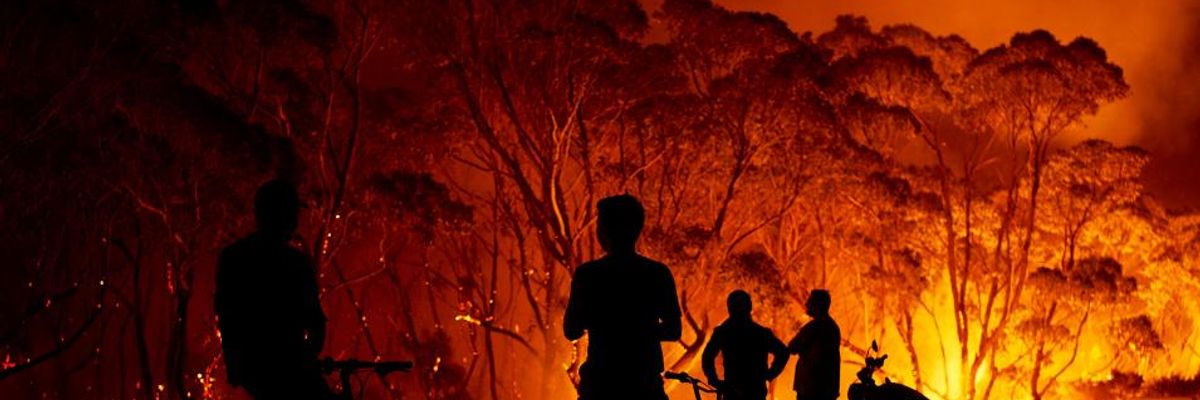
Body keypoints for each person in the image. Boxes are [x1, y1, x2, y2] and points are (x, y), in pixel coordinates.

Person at [214, 179, 332, 400]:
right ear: (282, 215)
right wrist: (305, 360)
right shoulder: (295, 263)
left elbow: (226, 316)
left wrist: (235, 366)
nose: (296, 220)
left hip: (254, 372)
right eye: (292, 212)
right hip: (288, 370)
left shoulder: (233, 257)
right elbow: (315, 322)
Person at [563, 194, 682, 400]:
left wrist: (603, 323)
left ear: (606, 231)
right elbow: (673, 330)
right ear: (637, 229)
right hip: (644, 387)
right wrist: (640, 329)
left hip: (600, 386)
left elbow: (571, 330)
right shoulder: (657, 273)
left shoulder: (588, 275)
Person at [701, 290, 789, 400]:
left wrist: (714, 380)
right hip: (755, 391)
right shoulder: (760, 333)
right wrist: (770, 374)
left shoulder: (723, 332)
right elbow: (783, 352)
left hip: (733, 391)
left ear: (729, 308)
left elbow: (707, 357)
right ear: (750, 307)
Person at [789, 289, 841, 400]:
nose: (806, 304)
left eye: (810, 301)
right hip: (827, 390)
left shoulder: (813, 327)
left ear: (819, 305)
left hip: (810, 389)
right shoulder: (833, 327)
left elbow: (792, 347)